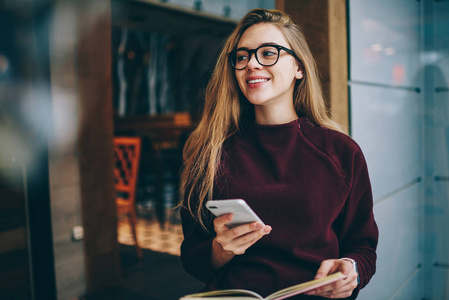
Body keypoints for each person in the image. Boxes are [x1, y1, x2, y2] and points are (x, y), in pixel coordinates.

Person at [179, 8, 378, 300]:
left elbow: (362, 245)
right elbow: (193, 260)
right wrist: (219, 249)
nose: (252, 64)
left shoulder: (341, 152)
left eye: (268, 53)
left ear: (299, 67)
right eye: (243, 56)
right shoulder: (210, 154)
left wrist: (352, 271)